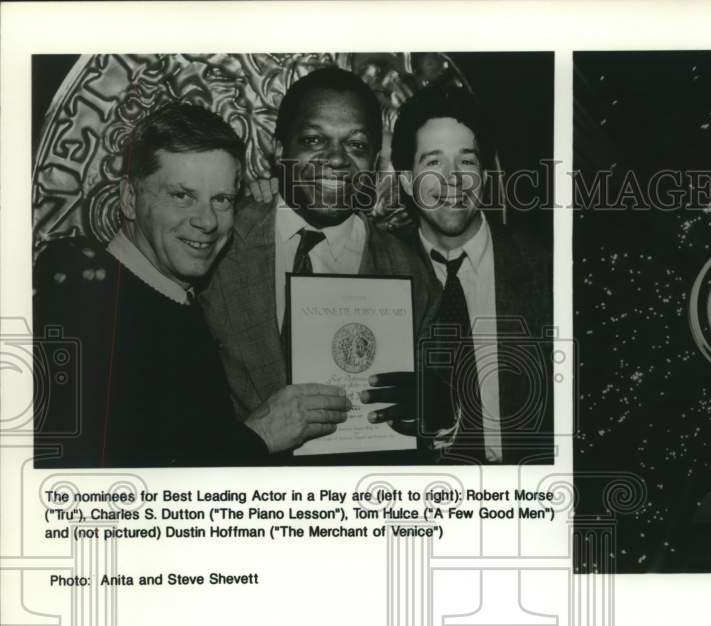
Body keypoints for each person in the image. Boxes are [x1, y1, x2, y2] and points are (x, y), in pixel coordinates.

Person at [33, 103, 350, 467]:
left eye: (222, 199)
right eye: (182, 196)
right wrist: (258, 435)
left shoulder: (176, 298)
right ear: (129, 199)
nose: (207, 221)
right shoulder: (84, 299)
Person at [198, 66, 427, 440]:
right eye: (313, 140)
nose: (336, 160)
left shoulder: (410, 272)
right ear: (278, 149)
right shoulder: (215, 243)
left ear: (375, 161)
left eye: (356, 145)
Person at [390, 84, 553, 464]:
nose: (453, 179)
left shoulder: (544, 266)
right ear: (405, 180)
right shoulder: (379, 268)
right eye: (433, 163)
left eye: (466, 161)